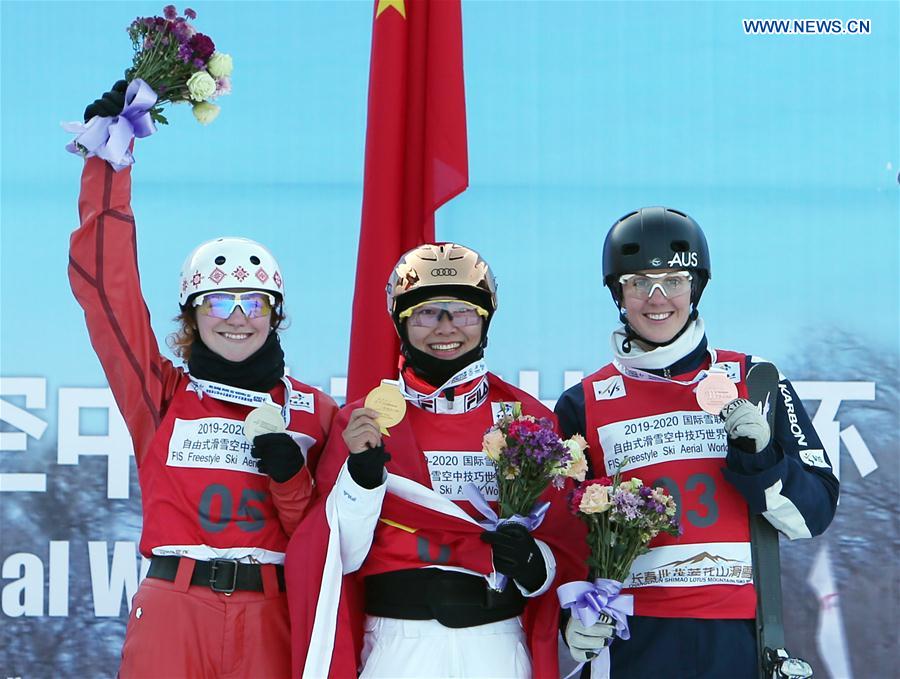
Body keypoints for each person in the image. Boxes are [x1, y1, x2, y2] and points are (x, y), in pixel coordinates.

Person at [70, 85, 337, 678]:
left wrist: (291, 479)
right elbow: (105, 293)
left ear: (275, 313)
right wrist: (108, 163)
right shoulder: (161, 394)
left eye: (254, 302)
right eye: (218, 302)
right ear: (192, 316)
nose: (237, 318)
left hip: (273, 613)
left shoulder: (315, 412)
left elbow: (329, 537)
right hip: (174, 609)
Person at [555, 207, 839, 678]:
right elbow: (564, 534)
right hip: (632, 641)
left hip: (738, 640)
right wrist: (571, 615)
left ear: (697, 286)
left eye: (674, 279)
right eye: (637, 281)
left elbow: (813, 515)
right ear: (617, 293)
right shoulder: (582, 403)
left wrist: (763, 460)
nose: (657, 297)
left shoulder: (756, 379)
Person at [286, 243, 583, 678]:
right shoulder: (363, 421)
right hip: (397, 644)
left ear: (485, 319)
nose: (445, 328)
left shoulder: (529, 419)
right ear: (401, 321)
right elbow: (337, 558)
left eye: (461, 311)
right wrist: (362, 480)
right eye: (427, 312)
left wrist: (532, 562)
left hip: (497, 641)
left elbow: (564, 550)